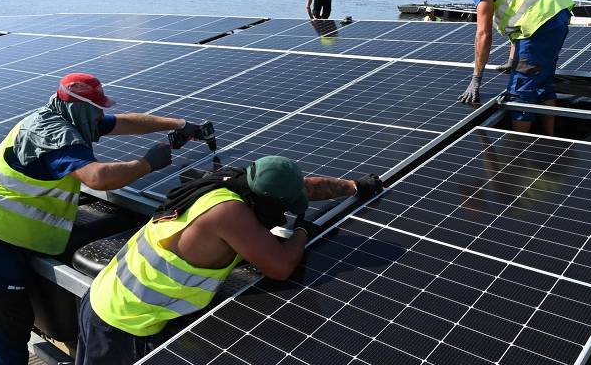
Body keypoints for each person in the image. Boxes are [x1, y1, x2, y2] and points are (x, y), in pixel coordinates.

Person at [0, 72, 204, 365]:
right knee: (5, 336)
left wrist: (180, 125)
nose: (101, 115)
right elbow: (96, 178)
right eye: (96, 109)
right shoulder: (56, 135)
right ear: (78, 106)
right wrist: (148, 163)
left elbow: (123, 122)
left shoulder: (63, 116)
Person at [76, 156, 383, 365]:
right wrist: (302, 230)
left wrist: (354, 186)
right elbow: (280, 267)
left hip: (107, 294)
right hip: (122, 322)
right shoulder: (229, 214)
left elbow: (303, 186)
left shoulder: (233, 182)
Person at [441, 0, 574, 135]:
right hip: (556, 18)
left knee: (520, 91)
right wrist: (513, 59)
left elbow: (483, 33)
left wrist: (476, 79)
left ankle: (518, 151)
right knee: (543, 82)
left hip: (538, 26)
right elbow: (519, 14)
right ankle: (549, 138)